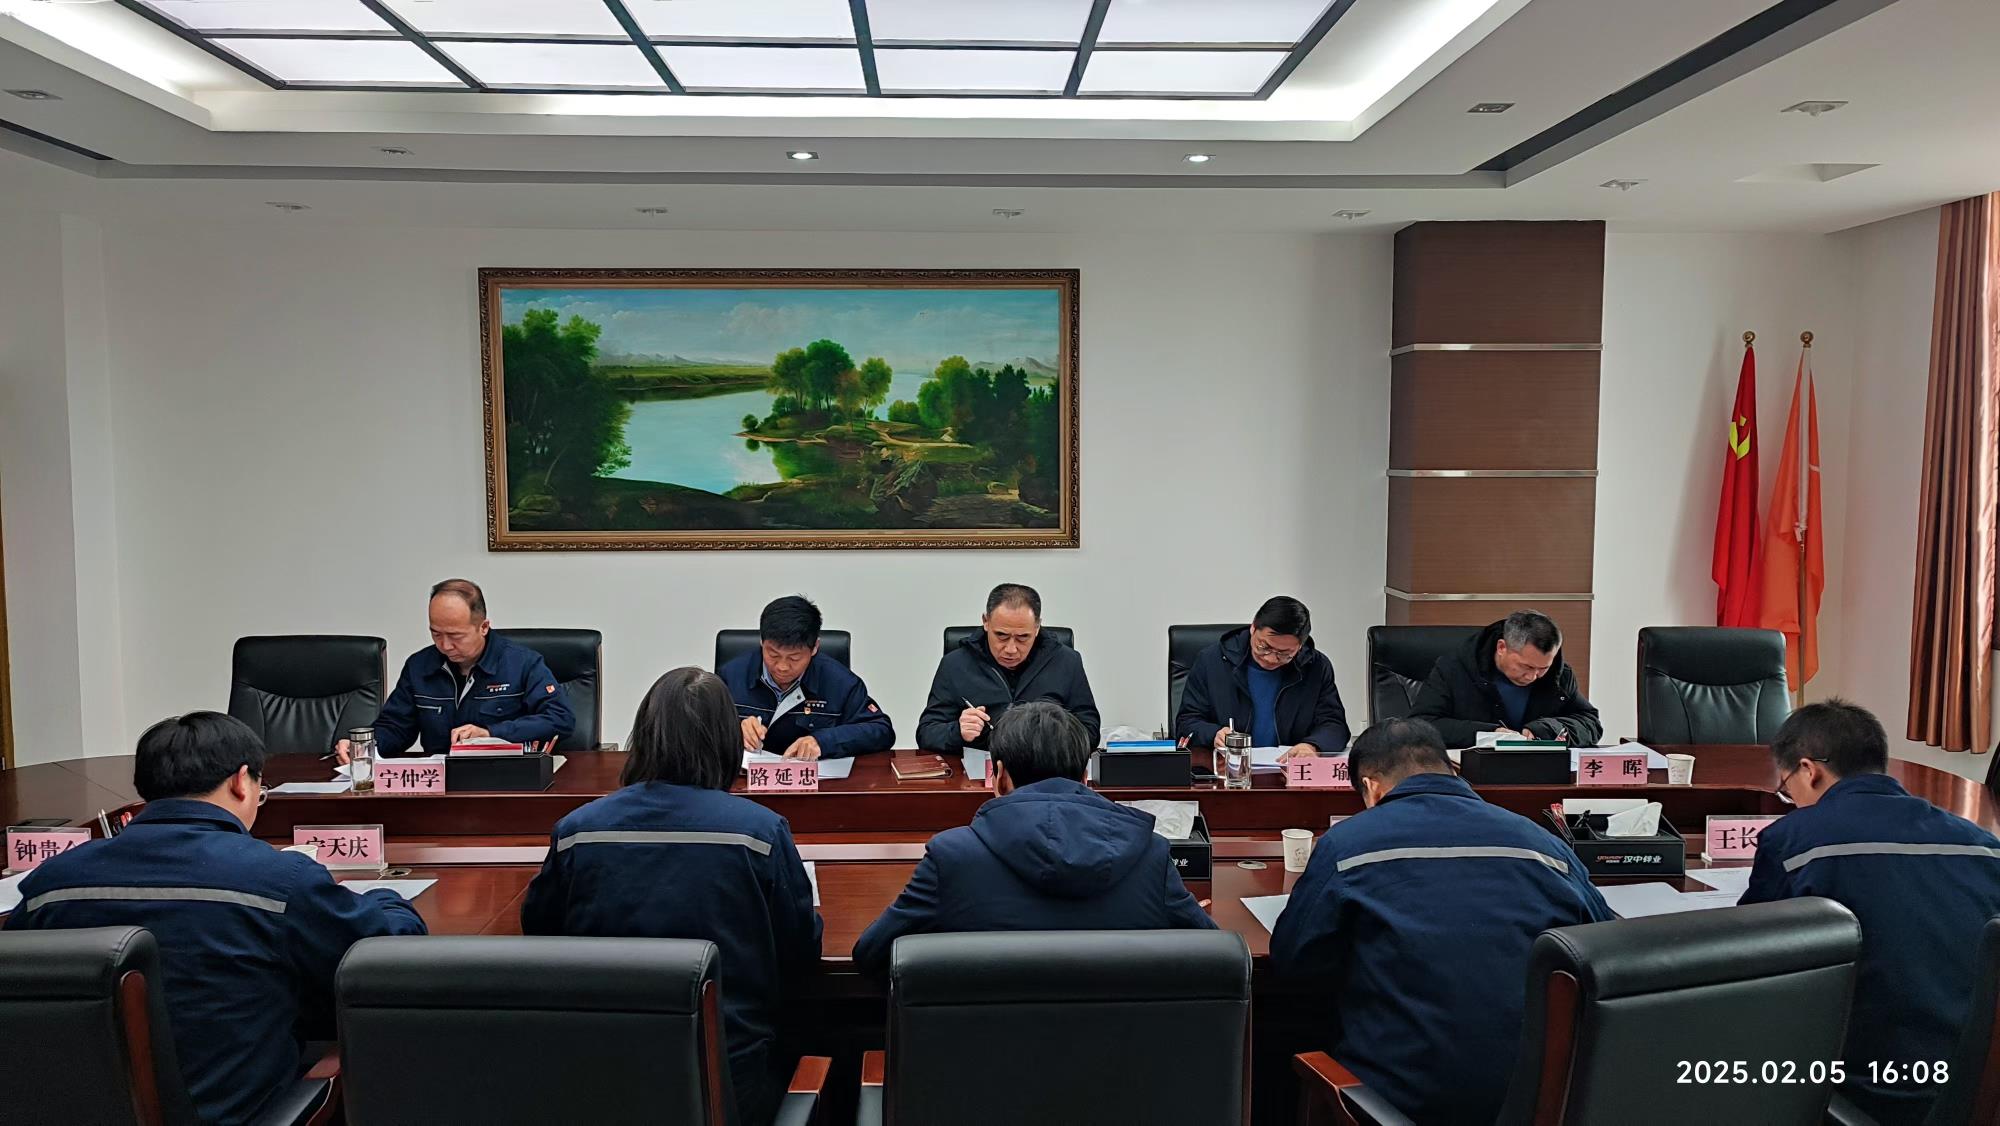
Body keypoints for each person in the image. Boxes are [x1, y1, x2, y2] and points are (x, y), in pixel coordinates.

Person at [4, 712, 426, 1126]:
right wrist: (388, 899)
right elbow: (387, 956)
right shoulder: (279, 878)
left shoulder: (51, 882)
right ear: (241, 781)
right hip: (239, 1113)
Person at [1270, 717, 1612, 1124]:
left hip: (1396, 1106)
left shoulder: (1346, 845)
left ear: (1371, 787)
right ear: (1453, 770)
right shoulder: (1544, 843)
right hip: (1540, 1101)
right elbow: (1602, 951)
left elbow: (1292, 962)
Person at [522, 667, 821, 1126]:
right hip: (730, 1076)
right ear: (726, 741)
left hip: (599, 1074)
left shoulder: (578, 830)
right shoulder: (760, 832)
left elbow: (540, 934)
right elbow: (800, 951)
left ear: (644, 735)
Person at [1741, 700, 2000, 1126]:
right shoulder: (1982, 845)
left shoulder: (1793, 840)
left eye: (1787, 789)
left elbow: (1746, 962)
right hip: (1971, 1090)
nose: (1792, 802)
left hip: (1868, 1091)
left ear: (1809, 770)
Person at [854, 701, 1213, 974]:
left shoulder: (952, 857)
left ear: (999, 777)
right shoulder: (1150, 855)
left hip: (984, 1051)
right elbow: (1216, 958)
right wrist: (1178, 917)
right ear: (1085, 777)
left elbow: (871, 955)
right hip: (1116, 1052)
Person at [340, 578, 574, 760]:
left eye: (455, 636)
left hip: (503, 776)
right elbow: (396, 727)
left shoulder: (522, 663)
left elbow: (560, 719)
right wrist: (365, 746)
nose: (445, 645)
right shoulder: (419, 666)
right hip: (439, 782)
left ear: (483, 627)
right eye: (436, 634)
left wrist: (490, 733)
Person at [916, 583, 1101, 751]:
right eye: (1001, 636)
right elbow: (926, 733)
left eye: (1023, 637)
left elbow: (1090, 731)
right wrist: (958, 731)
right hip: (978, 769)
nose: (1011, 649)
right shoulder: (955, 664)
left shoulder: (1067, 661)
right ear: (986, 621)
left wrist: (1051, 733)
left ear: (1037, 627)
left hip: (1046, 767)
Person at [1175, 595, 1350, 764]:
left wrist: (1312, 746)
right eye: (1264, 647)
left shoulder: (1315, 666)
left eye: (1285, 654)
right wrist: (1214, 734)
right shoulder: (1212, 661)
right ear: (1253, 628)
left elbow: (1334, 725)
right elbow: (1187, 723)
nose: (1271, 659)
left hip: (1288, 773)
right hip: (1227, 770)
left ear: (1300, 647)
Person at [719, 595, 894, 760]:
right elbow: (704, 728)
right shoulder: (730, 676)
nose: (782, 667)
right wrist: (734, 730)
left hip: (814, 779)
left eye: (794, 658)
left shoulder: (841, 683)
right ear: (761, 642)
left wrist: (824, 742)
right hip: (746, 779)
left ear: (815, 647)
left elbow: (881, 731)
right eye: (773, 655)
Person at [1410, 609, 1602, 746]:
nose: (1533, 676)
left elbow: (1590, 723)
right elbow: (1421, 725)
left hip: (1538, 774)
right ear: (1502, 647)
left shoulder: (1558, 676)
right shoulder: (1455, 668)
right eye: (1526, 666)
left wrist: (1547, 729)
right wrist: (1489, 734)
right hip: (1472, 775)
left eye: (1542, 668)